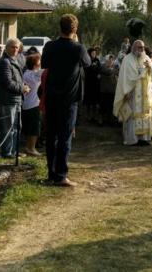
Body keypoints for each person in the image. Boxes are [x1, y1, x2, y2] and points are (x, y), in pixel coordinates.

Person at [41, 14, 91, 187]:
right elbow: (88, 63)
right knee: (65, 137)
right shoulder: (78, 48)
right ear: (75, 30)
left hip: (52, 97)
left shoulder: (49, 46)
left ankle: (51, 174)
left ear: (59, 28)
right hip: (69, 100)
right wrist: (76, 42)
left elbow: (44, 63)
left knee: (51, 136)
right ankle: (61, 175)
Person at [114, 40, 152, 146]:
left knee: (145, 115)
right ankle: (132, 139)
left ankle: (144, 138)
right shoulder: (127, 59)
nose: (142, 49)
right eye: (140, 47)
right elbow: (124, 78)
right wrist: (125, 91)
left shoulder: (146, 58)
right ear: (134, 48)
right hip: (133, 93)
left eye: (143, 47)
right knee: (133, 116)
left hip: (145, 92)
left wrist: (150, 69)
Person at [0, 38, 27, 159]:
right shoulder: (5, 62)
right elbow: (7, 82)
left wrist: (22, 87)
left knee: (16, 127)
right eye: (12, 47)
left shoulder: (14, 60)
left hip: (16, 99)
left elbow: (17, 80)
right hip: (8, 100)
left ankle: (14, 151)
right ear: (7, 48)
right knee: (8, 128)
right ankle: (7, 153)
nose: (15, 49)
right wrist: (21, 88)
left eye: (17, 47)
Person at [21, 53, 44, 156]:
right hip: (34, 104)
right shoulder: (35, 74)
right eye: (39, 61)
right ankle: (32, 148)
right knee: (35, 128)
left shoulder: (25, 73)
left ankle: (28, 146)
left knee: (29, 127)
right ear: (35, 64)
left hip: (26, 104)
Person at [97, 53, 119, 126]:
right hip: (104, 90)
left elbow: (118, 72)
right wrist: (113, 70)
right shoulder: (103, 67)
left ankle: (110, 120)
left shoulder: (115, 68)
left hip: (112, 90)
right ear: (106, 60)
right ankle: (100, 120)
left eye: (112, 60)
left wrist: (114, 70)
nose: (110, 61)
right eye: (109, 60)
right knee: (102, 106)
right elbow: (108, 72)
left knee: (110, 106)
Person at [83, 47, 102, 123]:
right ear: (89, 53)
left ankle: (94, 116)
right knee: (88, 101)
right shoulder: (87, 60)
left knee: (94, 101)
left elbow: (99, 69)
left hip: (95, 84)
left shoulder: (97, 60)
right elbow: (86, 70)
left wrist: (99, 74)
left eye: (95, 53)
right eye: (92, 53)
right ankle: (88, 116)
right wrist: (92, 67)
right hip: (88, 83)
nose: (94, 54)